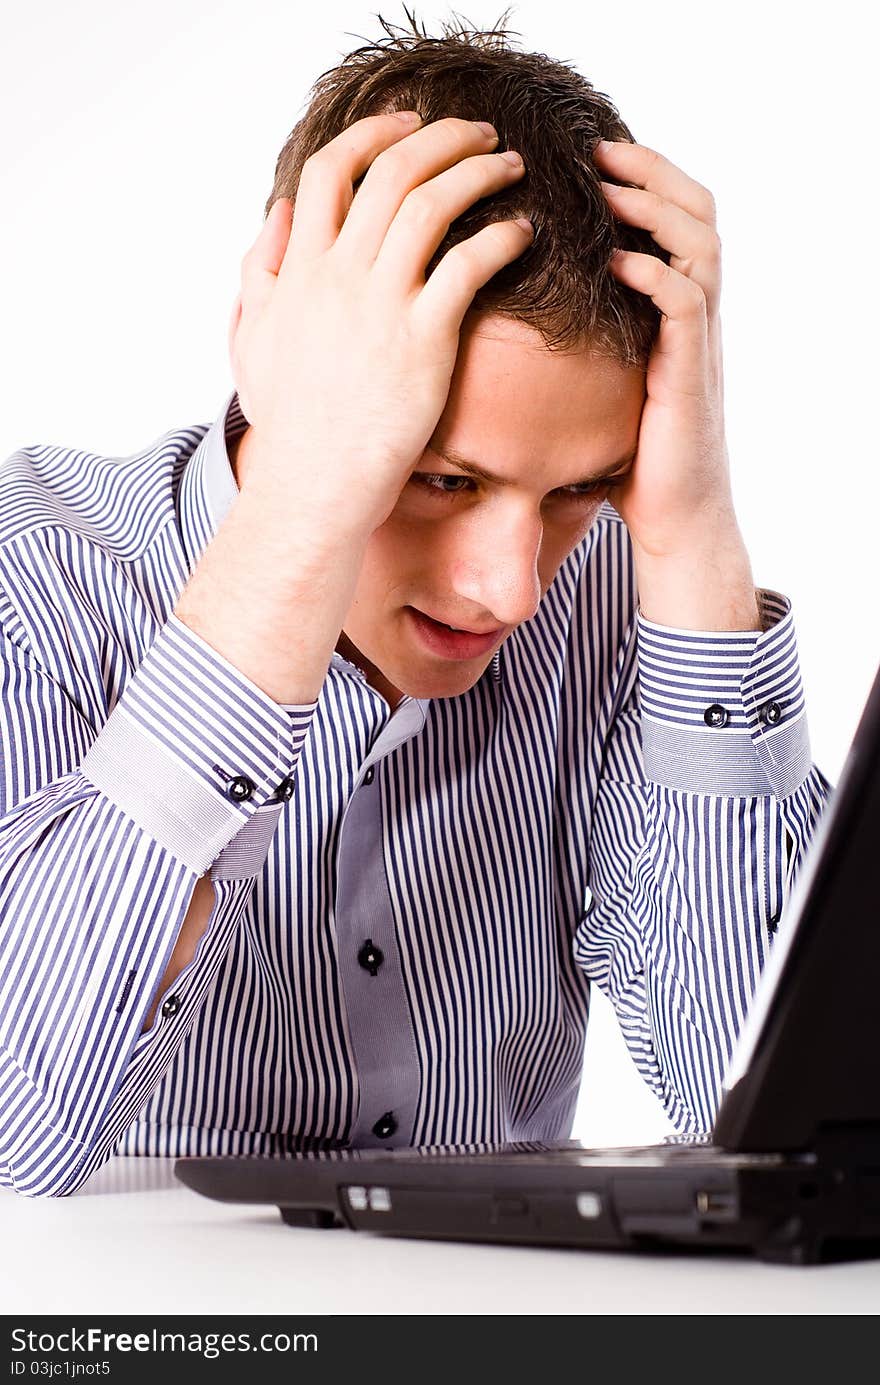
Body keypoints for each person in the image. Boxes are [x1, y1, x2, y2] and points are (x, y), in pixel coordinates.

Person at [0, 10, 831, 1197]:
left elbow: (770, 1116)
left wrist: (694, 538)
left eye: (576, 490)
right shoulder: (32, 576)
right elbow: (15, 1128)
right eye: (439, 478)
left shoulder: (608, 601)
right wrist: (299, 518)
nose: (508, 586)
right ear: (267, 341)